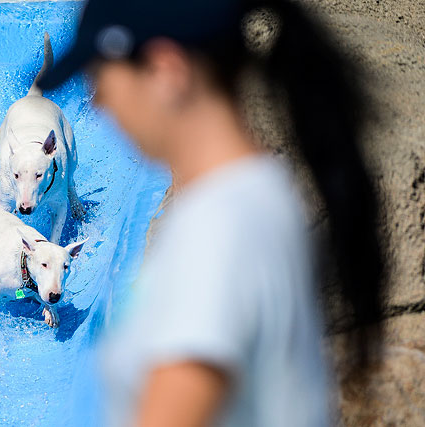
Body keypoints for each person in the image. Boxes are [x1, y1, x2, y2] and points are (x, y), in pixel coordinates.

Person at [39, 0, 384, 425]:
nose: (100, 106)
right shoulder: (262, 195)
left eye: (102, 83)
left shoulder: (217, 229)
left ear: (166, 72)